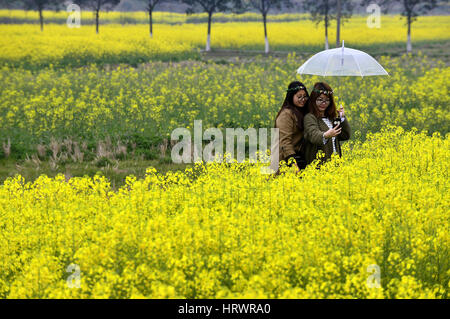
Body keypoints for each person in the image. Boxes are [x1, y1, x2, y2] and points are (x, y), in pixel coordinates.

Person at [303, 82, 351, 166]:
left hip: (335, 164)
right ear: (313, 100)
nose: (323, 103)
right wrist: (325, 135)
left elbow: (345, 136)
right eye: (320, 100)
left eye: (327, 100)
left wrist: (342, 118)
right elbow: (313, 135)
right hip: (319, 166)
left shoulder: (331, 118)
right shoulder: (310, 117)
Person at [271, 81, 309, 175]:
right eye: (299, 97)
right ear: (291, 96)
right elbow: (285, 142)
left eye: (305, 96)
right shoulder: (286, 114)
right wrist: (293, 164)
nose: (303, 99)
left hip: (297, 157)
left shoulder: (301, 112)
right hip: (285, 160)